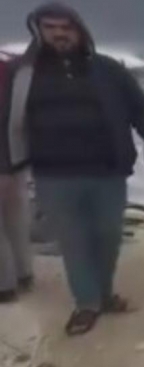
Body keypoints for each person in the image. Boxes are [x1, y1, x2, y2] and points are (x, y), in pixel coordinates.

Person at [9, 2, 144, 335]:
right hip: (53, 175)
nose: (59, 34)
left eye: (66, 27)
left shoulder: (107, 69)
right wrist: (8, 167)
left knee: (108, 237)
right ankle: (87, 303)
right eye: (50, 27)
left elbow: (142, 111)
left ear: (80, 30)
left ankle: (104, 293)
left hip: (108, 171)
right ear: (38, 31)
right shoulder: (23, 74)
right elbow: (7, 122)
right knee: (74, 242)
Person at [0, 53, 34, 304]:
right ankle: (24, 273)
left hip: (7, 158)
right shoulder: (14, 68)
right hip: (16, 158)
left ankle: (4, 285)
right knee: (16, 220)